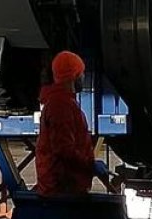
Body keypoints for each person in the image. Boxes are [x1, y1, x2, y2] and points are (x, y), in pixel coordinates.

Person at [35, 51, 105, 197]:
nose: (84, 76)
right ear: (74, 76)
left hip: (63, 186)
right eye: (82, 73)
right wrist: (91, 165)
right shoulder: (61, 105)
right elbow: (64, 149)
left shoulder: (61, 102)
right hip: (62, 188)